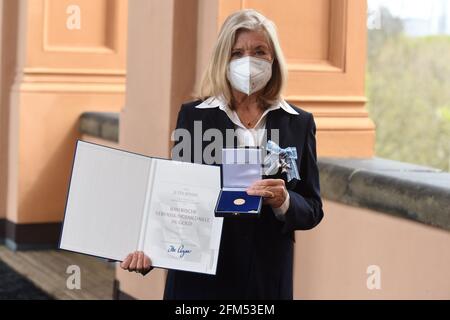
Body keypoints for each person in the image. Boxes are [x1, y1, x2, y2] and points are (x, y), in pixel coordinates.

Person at [120, 9, 324, 300]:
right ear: (222, 60)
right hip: (200, 280)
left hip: (266, 281)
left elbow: (313, 208)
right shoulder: (194, 117)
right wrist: (150, 251)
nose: (248, 61)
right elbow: (177, 199)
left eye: (259, 51)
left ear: (273, 59)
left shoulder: (298, 122)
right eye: (236, 53)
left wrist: (285, 201)